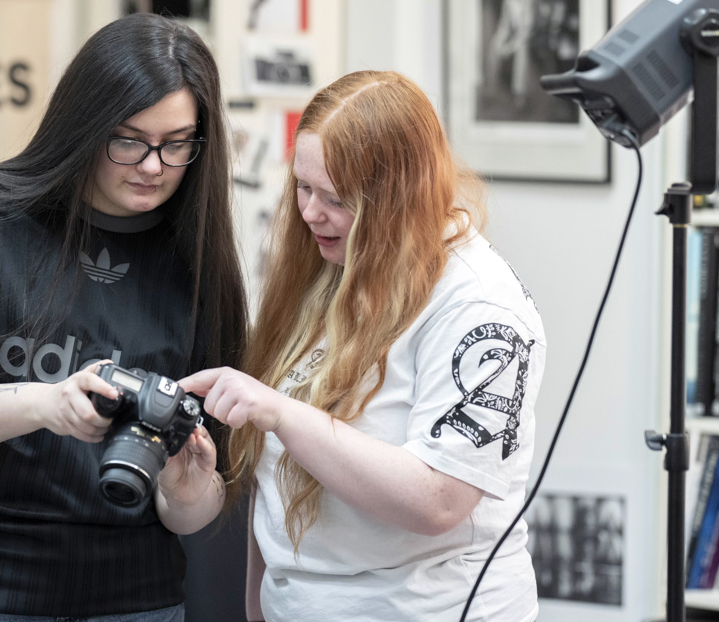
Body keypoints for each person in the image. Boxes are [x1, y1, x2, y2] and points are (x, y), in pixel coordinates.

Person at [0, 13, 248, 621]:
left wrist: (188, 486)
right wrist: (46, 404)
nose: (152, 165)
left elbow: (195, 512)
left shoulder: (201, 263)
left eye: (176, 143)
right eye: (128, 139)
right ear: (84, 124)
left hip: (132, 593)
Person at [180, 70, 546, 621]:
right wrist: (258, 606)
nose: (309, 213)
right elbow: (276, 485)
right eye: (302, 187)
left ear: (402, 196)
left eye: (335, 198)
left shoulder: (479, 307)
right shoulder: (332, 266)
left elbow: (439, 498)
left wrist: (282, 413)